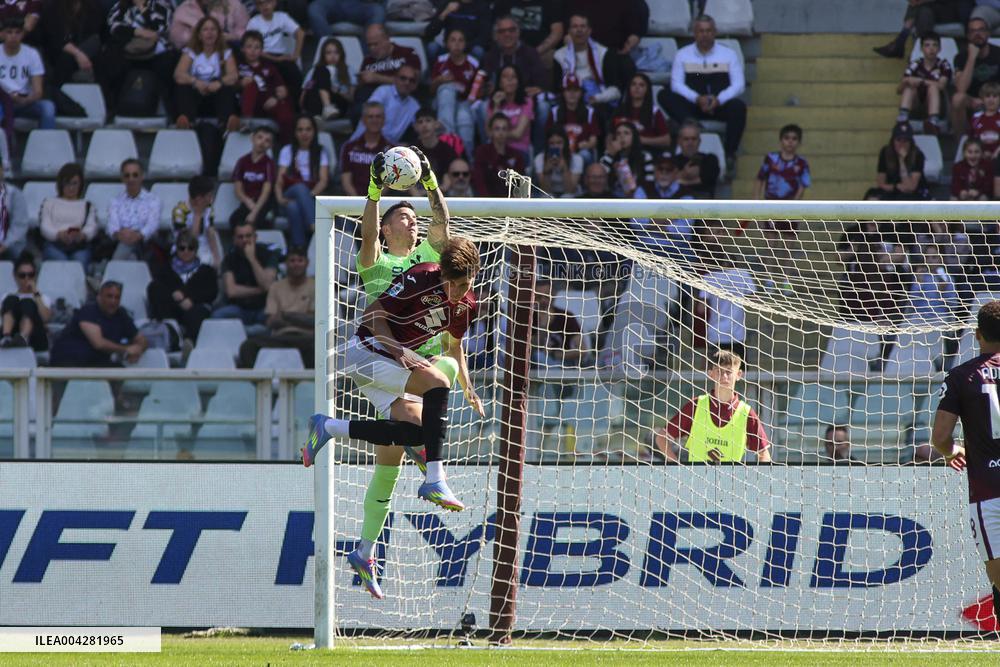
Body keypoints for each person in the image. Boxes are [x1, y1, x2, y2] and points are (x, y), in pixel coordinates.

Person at [302, 238, 483, 601]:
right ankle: (435, 477)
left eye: (466, 285)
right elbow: (371, 316)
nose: (459, 292)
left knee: (415, 428)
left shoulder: (467, 304)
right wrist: (399, 349)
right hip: (366, 352)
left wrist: (469, 386)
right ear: (443, 275)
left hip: (391, 367)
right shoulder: (422, 277)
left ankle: (363, 551)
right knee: (435, 381)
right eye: (454, 285)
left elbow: (454, 346)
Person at [930, 299, 1000, 624]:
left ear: (977, 334)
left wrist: (951, 451)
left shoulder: (961, 376)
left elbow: (941, 437)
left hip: (989, 495)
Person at [654, 349, 771, 463]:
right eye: (719, 371)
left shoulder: (746, 413)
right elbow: (661, 437)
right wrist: (677, 468)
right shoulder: (696, 405)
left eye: (729, 372)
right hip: (697, 481)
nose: (724, 376)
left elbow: (764, 454)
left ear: (739, 374)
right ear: (711, 374)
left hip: (731, 481)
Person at [660, 14, 746, 164]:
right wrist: (697, 98)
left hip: (719, 105)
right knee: (664, 95)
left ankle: (730, 153)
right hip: (693, 106)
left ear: (715, 32)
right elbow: (676, 84)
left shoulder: (728, 54)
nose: (705, 35)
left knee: (738, 107)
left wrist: (719, 99)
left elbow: (739, 84)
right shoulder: (682, 55)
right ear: (694, 33)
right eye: (701, 31)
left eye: (708, 31)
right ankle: (692, 123)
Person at [237, 245, 314, 368]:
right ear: (286, 264)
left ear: (307, 263)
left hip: (306, 338)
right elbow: (270, 321)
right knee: (248, 347)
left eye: (300, 260)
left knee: (318, 348)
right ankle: (257, 383)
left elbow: (314, 321)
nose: (296, 264)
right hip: (280, 337)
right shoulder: (275, 287)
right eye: (292, 261)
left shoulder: (316, 286)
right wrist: (299, 318)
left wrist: (287, 316)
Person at [50, 280, 148, 367]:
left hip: (95, 363)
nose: (113, 301)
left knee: (119, 371)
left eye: (117, 297)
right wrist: (126, 349)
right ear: (99, 297)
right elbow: (98, 343)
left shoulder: (121, 314)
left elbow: (141, 339)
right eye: (109, 296)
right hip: (69, 361)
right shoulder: (88, 311)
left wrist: (138, 350)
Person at [146, 228, 218, 341]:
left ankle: (189, 345)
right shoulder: (166, 269)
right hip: (171, 308)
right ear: (177, 249)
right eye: (182, 248)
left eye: (190, 248)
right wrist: (174, 294)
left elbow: (211, 292)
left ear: (196, 250)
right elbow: (156, 288)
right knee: (155, 289)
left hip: (194, 307)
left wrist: (191, 299)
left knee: (197, 313)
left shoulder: (206, 270)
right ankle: (171, 336)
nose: (186, 251)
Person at [173, 15, 240, 132]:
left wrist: (219, 83)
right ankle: (186, 121)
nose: (210, 33)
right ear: (199, 35)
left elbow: (233, 76)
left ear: (218, 33)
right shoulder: (190, 52)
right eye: (205, 29)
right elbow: (178, 74)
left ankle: (227, 123)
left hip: (216, 96)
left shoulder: (226, 52)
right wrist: (195, 82)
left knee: (227, 88)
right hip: (197, 96)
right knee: (183, 87)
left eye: (213, 29)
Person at [553, 13, 628, 107]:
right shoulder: (559, 55)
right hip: (569, 99)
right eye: (575, 26)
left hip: (598, 99)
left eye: (583, 26)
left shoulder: (604, 53)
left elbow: (615, 90)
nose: (579, 30)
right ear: (569, 31)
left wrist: (597, 98)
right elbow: (556, 89)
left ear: (589, 31)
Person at [276, 114, 330, 247]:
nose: (304, 133)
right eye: (300, 130)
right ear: (295, 133)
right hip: (289, 194)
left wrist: (306, 196)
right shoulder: (287, 151)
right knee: (299, 187)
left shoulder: (321, 152)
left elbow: (323, 181)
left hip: (310, 197)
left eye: (308, 129)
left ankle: (299, 249)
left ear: (314, 131)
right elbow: (279, 182)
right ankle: (315, 227)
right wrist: (280, 199)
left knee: (294, 207)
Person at [212, 219, 278, 325]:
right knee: (217, 316)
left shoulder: (269, 255)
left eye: (248, 236)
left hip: (264, 307)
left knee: (276, 318)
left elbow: (266, 284)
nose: (245, 240)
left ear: (255, 237)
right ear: (234, 240)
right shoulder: (229, 259)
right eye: (240, 237)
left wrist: (252, 259)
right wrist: (260, 290)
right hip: (239, 309)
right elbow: (231, 291)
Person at [236, 30, 294, 144]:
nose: (253, 51)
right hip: (247, 103)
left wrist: (276, 98)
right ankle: (246, 122)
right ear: (242, 49)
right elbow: (231, 84)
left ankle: (287, 144)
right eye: (249, 47)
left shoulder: (269, 67)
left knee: (284, 109)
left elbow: (282, 90)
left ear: (262, 50)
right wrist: (240, 83)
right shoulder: (238, 66)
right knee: (251, 85)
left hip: (268, 101)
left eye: (257, 47)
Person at [430, 29, 478, 158]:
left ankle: (468, 161)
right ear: (446, 44)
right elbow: (431, 91)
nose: (456, 44)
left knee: (464, 118)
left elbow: (477, 91)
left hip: (464, 103)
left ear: (465, 44)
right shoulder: (440, 61)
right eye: (453, 40)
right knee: (446, 90)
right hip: (442, 103)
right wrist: (439, 80)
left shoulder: (473, 63)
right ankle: (447, 144)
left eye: (460, 40)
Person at [0, 17, 55, 130]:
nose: (13, 36)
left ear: (22, 34)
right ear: (2, 34)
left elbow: (38, 91)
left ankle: (45, 144)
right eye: (9, 32)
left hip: (25, 100)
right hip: (2, 101)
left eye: (18, 32)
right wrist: (8, 97)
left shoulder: (32, 54)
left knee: (48, 107)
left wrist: (26, 100)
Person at [40, 163, 97, 267]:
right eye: (67, 183)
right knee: (60, 261)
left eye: (74, 183)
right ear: (61, 184)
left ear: (80, 184)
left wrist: (83, 235)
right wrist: (58, 234)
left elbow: (91, 226)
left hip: (79, 245)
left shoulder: (88, 205)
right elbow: (45, 226)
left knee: (79, 261)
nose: (71, 188)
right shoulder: (49, 202)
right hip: (55, 244)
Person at [354, 24, 421, 112]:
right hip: (373, 101)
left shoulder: (407, 53)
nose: (372, 49)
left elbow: (414, 82)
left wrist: (377, 78)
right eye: (369, 45)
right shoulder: (368, 60)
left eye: (375, 44)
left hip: (400, 98)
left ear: (387, 39)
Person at [245, 0, 304, 102]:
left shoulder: (282, 17)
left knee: (296, 76)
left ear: (274, 3)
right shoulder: (254, 22)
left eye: (267, 2)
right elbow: (252, 48)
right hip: (262, 56)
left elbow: (300, 33)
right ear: (257, 7)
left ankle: (295, 107)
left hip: (281, 56)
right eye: (260, 3)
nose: (265, 6)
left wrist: (296, 54)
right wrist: (276, 59)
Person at [952, 17, 1000, 136]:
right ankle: (963, 143)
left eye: (981, 30)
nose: (977, 34)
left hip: (996, 98)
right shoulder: (961, 57)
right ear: (968, 36)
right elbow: (961, 89)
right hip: (971, 100)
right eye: (973, 31)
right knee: (958, 99)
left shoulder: (998, 53)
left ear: (988, 33)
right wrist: (971, 58)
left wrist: (989, 99)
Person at [349, 64, 420, 144]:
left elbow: (420, 128)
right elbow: (370, 119)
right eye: (403, 78)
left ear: (415, 85)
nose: (407, 82)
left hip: (387, 150)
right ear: (395, 79)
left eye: (412, 80)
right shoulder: (383, 92)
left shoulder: (415, 106)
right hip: (361, 144)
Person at [875, 0, 973, 58]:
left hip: (953, 9)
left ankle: (900, 41)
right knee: (922, 10)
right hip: (935, 10)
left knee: (917, 5)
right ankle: (903, 44)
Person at [38, 0, 103, 87]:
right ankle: (58, 94)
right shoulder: (52, 6)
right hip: (58, 51)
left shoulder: (94, 6)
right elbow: (55, 38)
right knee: (66, 59)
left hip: (86, 49)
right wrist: (78, 54)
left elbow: (97, 34)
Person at [897, 32, 952, 133]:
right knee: (909, 86)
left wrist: (921, 81)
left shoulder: (943, 65)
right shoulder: (915, 64)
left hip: (937, 105)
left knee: (933, 88)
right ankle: (902, 119)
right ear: (921, 49)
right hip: (917, 104)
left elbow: (941, 85)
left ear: (939, 49)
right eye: (927, 45)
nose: (931, 48)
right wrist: (907, 80)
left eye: (934, 45)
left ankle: (933, 122)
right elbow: (899, 90)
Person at [107, 159, 161, 261]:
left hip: (145, 243)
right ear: (122, 179)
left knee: (125, 251)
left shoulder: (153, 200)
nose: (131, 179)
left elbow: (153, 224)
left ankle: (113, 272)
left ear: (142, 176)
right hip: (122, 240)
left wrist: (138, 235)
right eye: (127, 175)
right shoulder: (115, 201)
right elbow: (112, 225)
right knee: (128, 253)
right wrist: (120, 235)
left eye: (135, 175)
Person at [864, 121, 930, 201]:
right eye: (898, 140)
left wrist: (902, 161)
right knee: (872, 195)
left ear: (910, 143)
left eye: (905, 141)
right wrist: (896, 187)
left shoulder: (918, 155)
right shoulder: (885, 152)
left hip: (914, 193)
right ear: (893, 141)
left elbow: (910, 187)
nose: (902, 144)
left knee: (903, 198)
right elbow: (881, 183)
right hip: (892, 190)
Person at [339, 101, 393, 197]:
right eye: (370, 117)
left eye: (378, 116)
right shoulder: (349, 148)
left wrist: (372, 201)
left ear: (384, 120)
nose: (374, 120)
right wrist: (359, 204)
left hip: (380, 203)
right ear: (363, 120)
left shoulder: (391, 151)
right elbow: (346, 182)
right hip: (353, 203)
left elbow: (388, 183)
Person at [546, 74, 600, 163]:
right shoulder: (554, 112)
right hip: (559, 151)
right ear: (563, 93)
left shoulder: (590, 112)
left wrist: (585, 145)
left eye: (576, 90)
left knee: (585, 155)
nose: (572, 94)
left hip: (580, 151)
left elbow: (593, 141)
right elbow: (549, 139)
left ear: (581, 93)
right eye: (568, 90)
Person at [0, 252, 50, 350]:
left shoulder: (42, 297)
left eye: (30, 275)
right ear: (15, 276)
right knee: (11, 299)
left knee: (27, 302)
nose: (27, 278)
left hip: (34, 337)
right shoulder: (6, 296)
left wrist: (35, 293)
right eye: (22, 275)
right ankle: (6, 337)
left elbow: (46, 318)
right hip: (12, 332)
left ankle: (23, 337)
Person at [612, 72, 673, 152]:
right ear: (629, 88)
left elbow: (666, 140)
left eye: (641, 85)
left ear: (647, 89)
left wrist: (641, 140)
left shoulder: (654, 111)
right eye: (633, 84)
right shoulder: (620, 110)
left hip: (646, 153)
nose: (637, 87)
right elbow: (610, 135)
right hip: (621, 153)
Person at [172, 174, 222, 268]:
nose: (211, 199)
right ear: (199, 199)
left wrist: (217, 258)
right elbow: (189, 241)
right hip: (184, 247)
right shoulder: (180, 211)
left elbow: (210, 233)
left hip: (204, 243)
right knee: (202, 262)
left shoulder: (209, 208)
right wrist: (198, 215)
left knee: (215, 236)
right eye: (209, 196)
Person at [483, 64, 534, 158]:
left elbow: (518, 133)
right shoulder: (493, 101)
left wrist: (498, 134)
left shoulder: (526, 102)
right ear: (500, 83)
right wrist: (496, 105)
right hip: (496, 149)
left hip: (519, 149)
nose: (509, 80)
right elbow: (489, 132)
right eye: (505, 77)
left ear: (518, 82)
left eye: (513, 77)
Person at [472, 113, 528, 197]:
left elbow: (521, 184)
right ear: (490, 131)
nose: (501, 132)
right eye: (497, 129)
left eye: (504, 129)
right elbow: (479, 181)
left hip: (511, 205)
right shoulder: (482, 152)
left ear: (508, 131)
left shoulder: (516, 155)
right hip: (486, 202)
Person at [231, 126, 276, 228]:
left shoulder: (269, 163)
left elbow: (266, 191)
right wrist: (248, 201)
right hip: (247, 201)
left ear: (270, 145)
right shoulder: (242, 161)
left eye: (267, 141)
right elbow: (238, 189)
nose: (262, 142)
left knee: (256, 222)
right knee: (234, 220)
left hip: (263, 203)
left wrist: (254, 211)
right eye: (259, 137)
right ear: (252, 138)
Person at [301, 36, 354, 121]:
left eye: (336, 52)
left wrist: (338, 90)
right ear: (323, 55)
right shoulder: (315, 70)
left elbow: (352, 98)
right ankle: (325, 109)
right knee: (321, 70)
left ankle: (326, 109)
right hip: (316, 104)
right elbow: (304, 95)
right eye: (328, 53)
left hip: (337, 105)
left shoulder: (349, 70)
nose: (332, 56)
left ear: (341, 54)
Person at [753, 124, 811, 200]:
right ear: (780, 141)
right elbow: (760, 179)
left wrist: (795, 203)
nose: (790, 142)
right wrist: (756, 200)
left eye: (794, 139)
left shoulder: (802, 162)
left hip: (790, 204)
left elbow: (802, 185)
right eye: (786, 138)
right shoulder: (771, 158)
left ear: (799, 143)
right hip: (769, 202)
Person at [423, 0, 492, 62]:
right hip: (448, 49)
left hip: (469, 50)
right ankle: (435, 74)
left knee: (478, 51)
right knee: (432, 47)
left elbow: (484, 36)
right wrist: (445, 12)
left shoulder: (482, 6)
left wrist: (461, 46)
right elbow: (429, 32)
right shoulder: (449, 3)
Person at [599, 120, 654, 199]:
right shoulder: (609, 155)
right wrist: (611, 155)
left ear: (634, 137)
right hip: (614, 197)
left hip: (637, 198)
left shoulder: (645, 156)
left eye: (626, 133)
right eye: (618, 133)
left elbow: (650, 182)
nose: (622, 136)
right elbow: (599, 176)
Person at [169, 0, 248, 50]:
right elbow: (177, 40)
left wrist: (232, 36)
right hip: (195, 56)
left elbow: (245, 31)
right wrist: (198, 37)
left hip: (229, 51)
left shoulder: (234, 4)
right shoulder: (183, 10)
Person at [673, 121, 721, 199]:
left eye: (694, 139)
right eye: (686, 139)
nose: (690, 143)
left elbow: (708, 181)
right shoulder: (671, 161)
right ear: (679, 141)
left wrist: (680, 180)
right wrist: (684, 174)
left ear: (699, 141)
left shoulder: (710, 159)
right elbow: (666, 182)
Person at [412, 107, 459, 179]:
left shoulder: (447, 151)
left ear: (437, 124)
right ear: (415, 127)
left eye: (428, 121)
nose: (424, 125)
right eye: (420, 122)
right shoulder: (411, 151)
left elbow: (450, 179)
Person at [534, 126, 582, 197]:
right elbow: (545, 191)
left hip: (569, 194)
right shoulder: (539, 158)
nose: (556, 146)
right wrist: (547, 172)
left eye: (559, 143)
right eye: (552, 143)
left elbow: (570, 190)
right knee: (547, 197)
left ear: (565, 143)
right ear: (547, 144)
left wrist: (564, 169)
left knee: (567, 197)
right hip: (549, 193)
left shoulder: (577, 159)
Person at [307, 0, 385, 42]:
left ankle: (365, 57)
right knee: (315, 9)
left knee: (378, 12)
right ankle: (330, 48)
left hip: (360, 4)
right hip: (331, 3)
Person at [0, 160, 28, 261]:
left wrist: (5, 245)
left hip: (10, 246)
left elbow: (19, 226)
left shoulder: (15, 195)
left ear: (2, 170)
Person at [972, 81, 1000, 159]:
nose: (991, 99)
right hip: (980, 156)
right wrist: (981, 152)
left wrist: (996, 153)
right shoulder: (976, 118)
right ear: (982, 99)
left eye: (994, 96)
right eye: (987, 96)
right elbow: (972, 140)